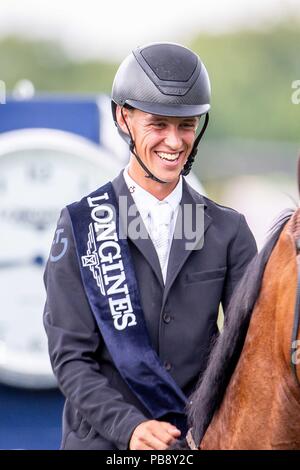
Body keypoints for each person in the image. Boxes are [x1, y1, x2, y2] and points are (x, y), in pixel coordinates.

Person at [43, 42, 257, 450]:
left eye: (187, 125)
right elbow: (71, 359)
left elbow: (249, 349)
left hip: (193, 441)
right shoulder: (80, 225)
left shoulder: (228, 229)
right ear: (124, 117)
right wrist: (130, 427)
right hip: (105, 443)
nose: (174, 143)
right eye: (158, 124)